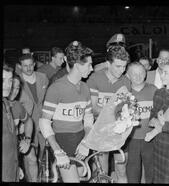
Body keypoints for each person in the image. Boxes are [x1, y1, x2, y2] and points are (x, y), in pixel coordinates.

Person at [39, 41, 94, 182]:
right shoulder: (56, 88)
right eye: (89, 64)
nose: (92, 68)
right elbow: (44, 122)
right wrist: (57, 150)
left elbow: (88, 119)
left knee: (83, 178)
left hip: (81, 138)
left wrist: (86, 142)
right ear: (77, 65)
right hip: (63, 140)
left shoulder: (86, 88)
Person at [86, 45, 131, 183]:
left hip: (118, 131)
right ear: (108, 64)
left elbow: (124, 110)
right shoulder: (94, 78)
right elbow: (93, 109)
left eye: (124, 66)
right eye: (118, 66)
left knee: (122, 170)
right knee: (101, 172)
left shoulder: (125, 81)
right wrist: (113, 112)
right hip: (100, 130)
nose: (122, 70)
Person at [17, 53, 49, 182]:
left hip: (43, 120)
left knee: (44, 153)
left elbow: (47, 99)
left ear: (34, 64)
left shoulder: (43, 77)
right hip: (27, 122)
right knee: (31, 157)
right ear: (20, 66)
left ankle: (41, 177)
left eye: (31, 65)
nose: (29, 68)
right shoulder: (16, 80)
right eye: (25, 66)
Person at [125, 62, 157, 183]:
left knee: (151, 170)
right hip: (130, 138)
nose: (138, 77)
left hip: (150, 138)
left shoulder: (154, 90)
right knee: (132, 170)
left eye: (141, 73)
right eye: (134, 74)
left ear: (146, 74)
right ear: (128, 75)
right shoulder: (124, 92)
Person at [8, 74, 36, 182]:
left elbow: (29, 121)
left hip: (13, 148)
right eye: (12, 87)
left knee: (32, 158)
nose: (14, 91)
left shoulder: (17, 105)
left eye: (17, 88)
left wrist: (27, 139)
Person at [2, 63, 20, 182]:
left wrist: (16, 167)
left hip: (11, 169)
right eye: (3, 80)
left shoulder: (6, 104)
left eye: (10, 80)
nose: (7, 85)